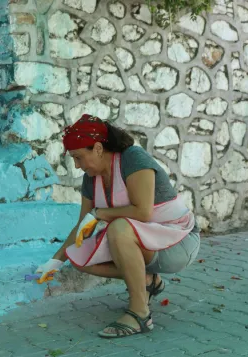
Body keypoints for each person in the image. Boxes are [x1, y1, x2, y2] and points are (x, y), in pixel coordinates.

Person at [36, 114, 200, 339]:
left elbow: (142, 211)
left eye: (78, 157)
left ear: (97, 148)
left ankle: (140, 314)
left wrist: (99, 214)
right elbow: (82, 226)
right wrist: (54, 262)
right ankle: (149, 281)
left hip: (179, 243)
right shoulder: (90, 177)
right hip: (149, 244)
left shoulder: (133, 158)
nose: (76, 165)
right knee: (79, 255)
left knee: (118, 228)